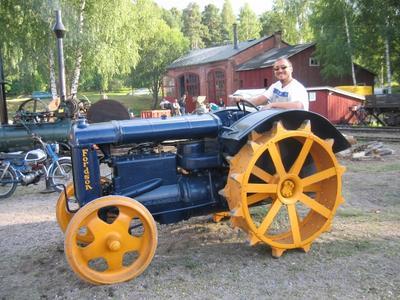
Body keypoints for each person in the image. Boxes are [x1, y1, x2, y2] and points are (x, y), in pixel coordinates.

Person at [229, 57, 309, 111]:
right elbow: (257, 101)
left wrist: (272, 105)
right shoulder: (275, 86)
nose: (280, 71)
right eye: (276, 69)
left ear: (291, 69)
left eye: (283, 67)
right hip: (278, 123)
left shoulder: (297, 88)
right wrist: (242, 100)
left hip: (294, 127)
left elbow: (298, 106)